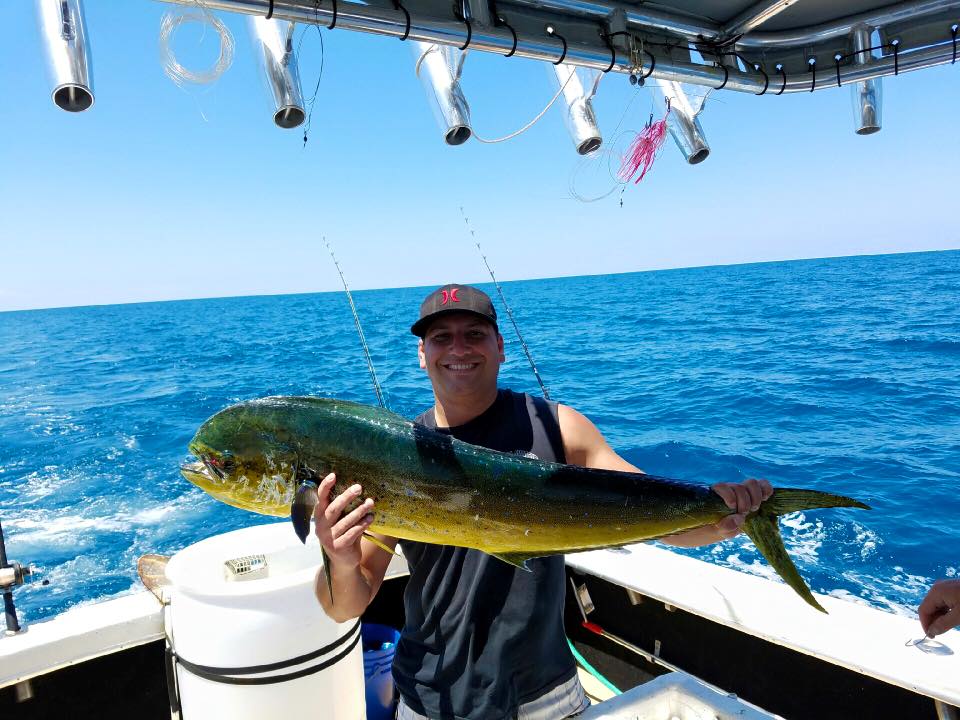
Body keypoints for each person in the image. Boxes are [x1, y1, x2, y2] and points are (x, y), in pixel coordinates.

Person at [312, 283, 773, 720]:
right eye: (441, 338)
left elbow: (650, 508)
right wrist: (340, 560)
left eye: (474, 335)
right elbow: (343, 606)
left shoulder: (558, 427)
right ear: (422, 354)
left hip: (546, 694)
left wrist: (724, 517)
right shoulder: (394, 453)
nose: (458, 349)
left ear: (500, 347)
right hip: (432, 696)